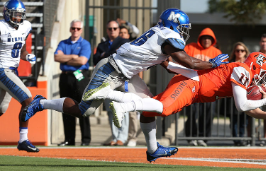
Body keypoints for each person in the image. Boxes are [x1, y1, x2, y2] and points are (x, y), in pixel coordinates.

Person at [21, 8, 226, 161]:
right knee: (84, 111)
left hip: (123, 74)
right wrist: (211, 64)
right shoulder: (167, 36)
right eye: (181, 28)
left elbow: (169, 65)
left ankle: (153, 148)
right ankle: (41, 103)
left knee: (148, 105)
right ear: (172, 25)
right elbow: (188, 61)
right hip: (110, 72)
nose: (183, 32)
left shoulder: (158, 35)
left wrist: (194, 71)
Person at [110, 52, 266, 155]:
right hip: (192, 85)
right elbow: (242, 106)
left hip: (193, 86)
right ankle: (123, 106)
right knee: (164, 109)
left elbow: (248, 109)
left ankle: (152, 149)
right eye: (263, 73)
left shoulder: (242, 73)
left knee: (149, 110)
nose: (263, 79)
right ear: (255, 67)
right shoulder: (243, 71)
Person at [0, 0, 38, 152]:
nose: (18, 18)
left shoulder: (25, 26)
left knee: (1, 109)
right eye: (15, 15)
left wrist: (27, 57)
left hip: (12, 70)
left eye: (20, 15)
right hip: (2, 69)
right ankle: (23, 139)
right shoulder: (1, 27)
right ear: (7, 14)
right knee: (28, 101)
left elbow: (21, 50)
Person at [54, 19, 92, 146]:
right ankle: (69, 139)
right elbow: (56, 57)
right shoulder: (63, 43)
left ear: (81, 30)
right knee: (66, 106)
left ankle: (85, 140)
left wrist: (65, 58)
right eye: (73, 28)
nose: (75, 31)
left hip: (79, 75)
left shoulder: (85, 44)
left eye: (78, 28)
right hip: (65, 77)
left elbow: (82, 61)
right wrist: (73, 57)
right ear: (70, 29)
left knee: (83, 106)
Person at [93, 20, 130, 146]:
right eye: (110, 29)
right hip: (106, 80)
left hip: (120, 78)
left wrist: (106, 55)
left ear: (118, 29)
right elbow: (96, 60)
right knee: (110, 109)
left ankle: (122, 137)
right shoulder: (102, 44)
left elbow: (122, 57)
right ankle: (115, 136)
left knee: (123, 108)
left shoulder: (125, 42)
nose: (112, 31)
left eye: (114, 28)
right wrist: (111, 53)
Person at [183, 27, 222, 146]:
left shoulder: (216, 52)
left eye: (209, 38)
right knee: (192, 112)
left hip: (209, 88)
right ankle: (191, 137)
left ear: (213, 40)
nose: (206, 40)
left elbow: (221, 70)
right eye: (204, 38)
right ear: (200, 39)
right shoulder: (190, 48)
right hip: (192, 85)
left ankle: (203, 137)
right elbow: (182, 62)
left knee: (208, 113)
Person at [227, 42, 251, 146]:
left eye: (242, 50)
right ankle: (236, 139)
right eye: (237, 50)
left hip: (246, 94)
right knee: (234, 119)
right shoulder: (230, 63)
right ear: (234, 52)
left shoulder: (249, 64)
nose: (240, 52)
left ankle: (241, 137)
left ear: (246, 52)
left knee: (244, 118)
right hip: (232, 94)